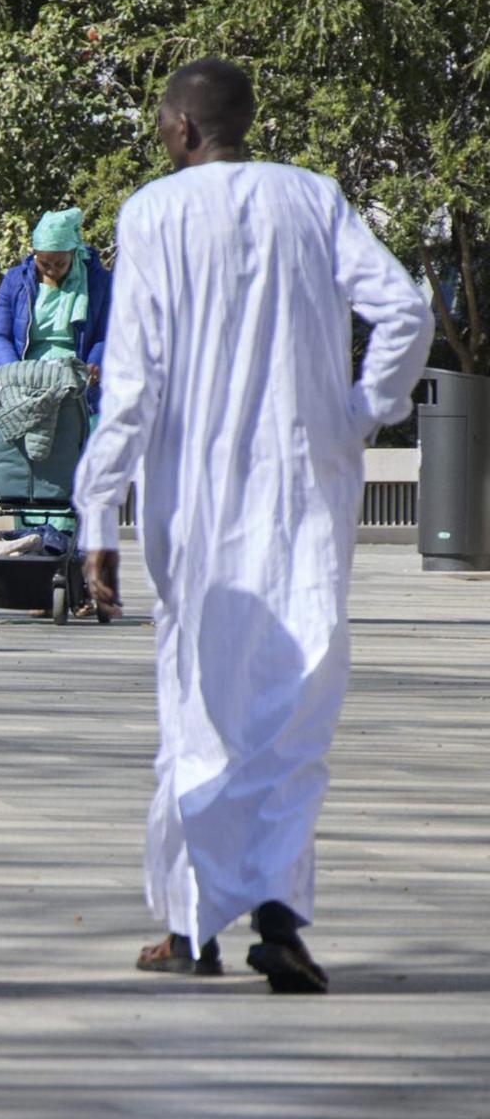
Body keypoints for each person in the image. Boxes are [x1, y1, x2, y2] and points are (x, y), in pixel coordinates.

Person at [74, 59, 432, 993]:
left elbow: (134, 379)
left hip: (196, 507)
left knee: (199, 707)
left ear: (187, 129)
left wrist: (96, 513)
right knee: (294, 710)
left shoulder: (153, 214)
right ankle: (278, 917)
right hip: (304, 499)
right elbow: (404, 309)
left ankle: (194, 932)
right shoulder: (313, 200)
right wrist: (358, 411)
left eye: (161, 120)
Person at [0, 206, 112, 413]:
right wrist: (15, 372)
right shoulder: (15, 280)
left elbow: (105, 335)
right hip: (26, 381)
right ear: (35, 255)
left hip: (76, 383)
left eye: (60, 264)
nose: (52, 271)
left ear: (73, 252)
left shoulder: (99, 282)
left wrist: (91, 369)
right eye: (44, 264)